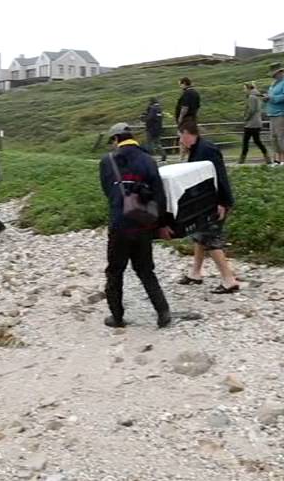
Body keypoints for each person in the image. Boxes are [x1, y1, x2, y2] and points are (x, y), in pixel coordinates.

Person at [98, 123, 171, 328]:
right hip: (144, 224)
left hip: (120, 224)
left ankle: (117, 316)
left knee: (115, 271)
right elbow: (159, 195)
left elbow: (108, 192)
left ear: (115, 139)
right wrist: (162, 224)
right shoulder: (148, 159)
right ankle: (162, 311)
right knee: (146, 270)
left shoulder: (107, 161)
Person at [176, 121, 241, 294]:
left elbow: (220, 176)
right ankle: (195, 273)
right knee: (199, 236)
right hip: (204, 202)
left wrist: (223, 202)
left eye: (180, 136)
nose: (180, 140)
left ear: (186, 133)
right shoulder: (196, 150)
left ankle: (229, 280)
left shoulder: (207, 149)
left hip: (216, 202)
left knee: (210, 238)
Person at [263, 66, 284, 165]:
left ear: (280, 72)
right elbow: (271, 95)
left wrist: (271, 98)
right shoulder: (274, 83)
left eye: (274, 74)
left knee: (283, 136)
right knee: (274, 137)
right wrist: (266, 98)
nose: (273, 76)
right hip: (272, 113)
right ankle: (278, 160)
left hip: (282, 113)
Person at [240, 82, 270, 165]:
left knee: (246, 141)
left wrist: (246, 118)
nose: (244, 90)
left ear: (249, 88)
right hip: (257, 123)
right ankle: (267, 157)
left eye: (244, 88)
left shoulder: (251, 97)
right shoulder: (257, 96)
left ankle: (242, 159)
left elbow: (251, 110)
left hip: (251, 123)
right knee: (257, 141)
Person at [141, 97, 165, 161]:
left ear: (151, 102)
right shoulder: (159, 109)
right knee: (157, 143)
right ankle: (163, 155)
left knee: (149, 143)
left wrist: (144, 119)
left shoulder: (153, 109)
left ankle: (149, 157)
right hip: (158, 128)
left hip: (151, 129)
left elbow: (150, 118)